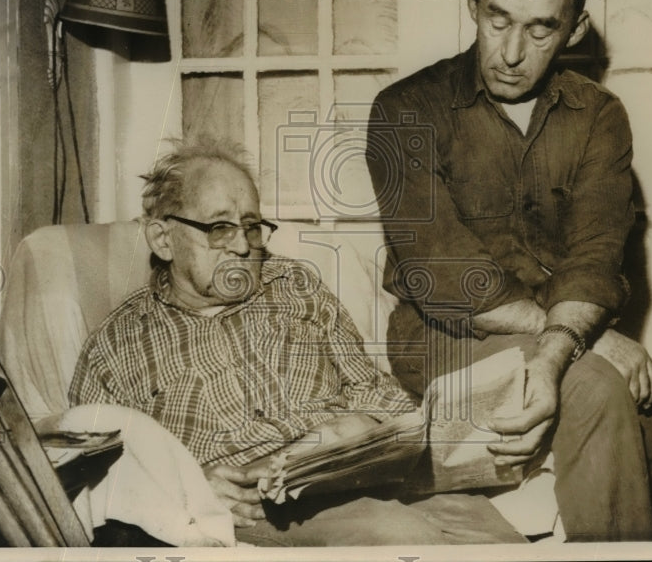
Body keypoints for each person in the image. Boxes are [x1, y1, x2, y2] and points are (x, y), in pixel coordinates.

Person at [367, 0, 652, 541]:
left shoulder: (599, 115)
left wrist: (562, 342)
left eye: (540, 28)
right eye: (497, 18)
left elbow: (596, 253)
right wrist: (584, 342)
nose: (510, 51)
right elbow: (443, 273)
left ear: (572, 30)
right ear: (473, 4)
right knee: (594, 384)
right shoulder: (405, 108)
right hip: (438, 333)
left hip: (563, 324)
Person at [69, 138, 526, 547]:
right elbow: (92, 475)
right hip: (261, 505)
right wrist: (186, 488)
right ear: (163, 238)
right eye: (219, 228)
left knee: (501, 542)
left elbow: (369, 387)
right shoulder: (118, 344)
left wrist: (373, 425)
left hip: (357, 470)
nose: (244, 246)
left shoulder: (295, 285)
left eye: (251, 226)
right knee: (400, 538)